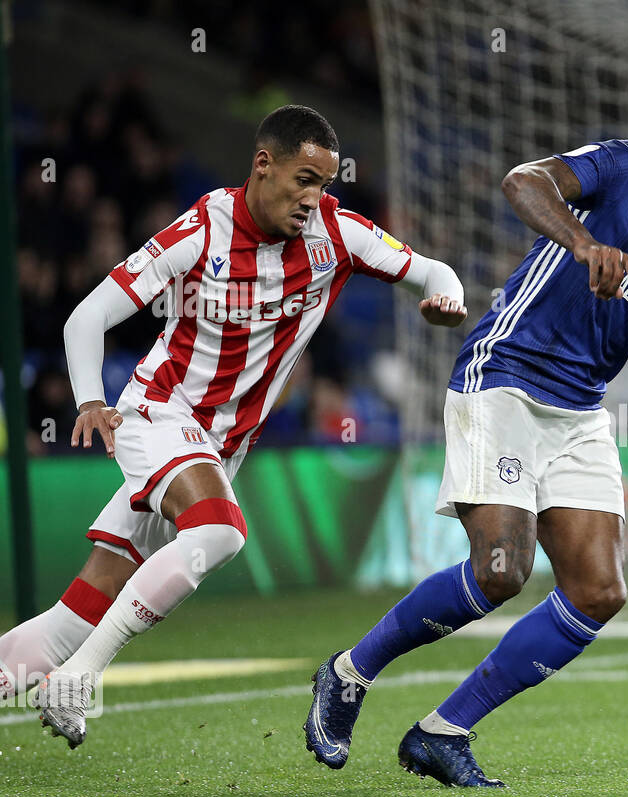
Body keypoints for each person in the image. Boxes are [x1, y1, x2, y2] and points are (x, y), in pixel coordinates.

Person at [305, 73, 628, 786]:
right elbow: (522, 182)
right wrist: (581, 241)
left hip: (579, 408)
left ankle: (443, 732)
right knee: (502, 571)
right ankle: (348, 674)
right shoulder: (627, 167)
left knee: (599, 589)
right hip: (504, 376)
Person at [0, 105, 469, 742]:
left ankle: (65, 661)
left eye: (324, 185)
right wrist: (89, 401)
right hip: (159, 414)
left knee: (78, 610)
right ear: (262, 164)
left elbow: (431, 271)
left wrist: (447, 300)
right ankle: (78, 678)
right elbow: (85, 319)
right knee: (221, 533)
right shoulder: (200, 232)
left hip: (219, 448)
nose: (313, 198)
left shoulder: (337, 235)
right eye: (304, 179)